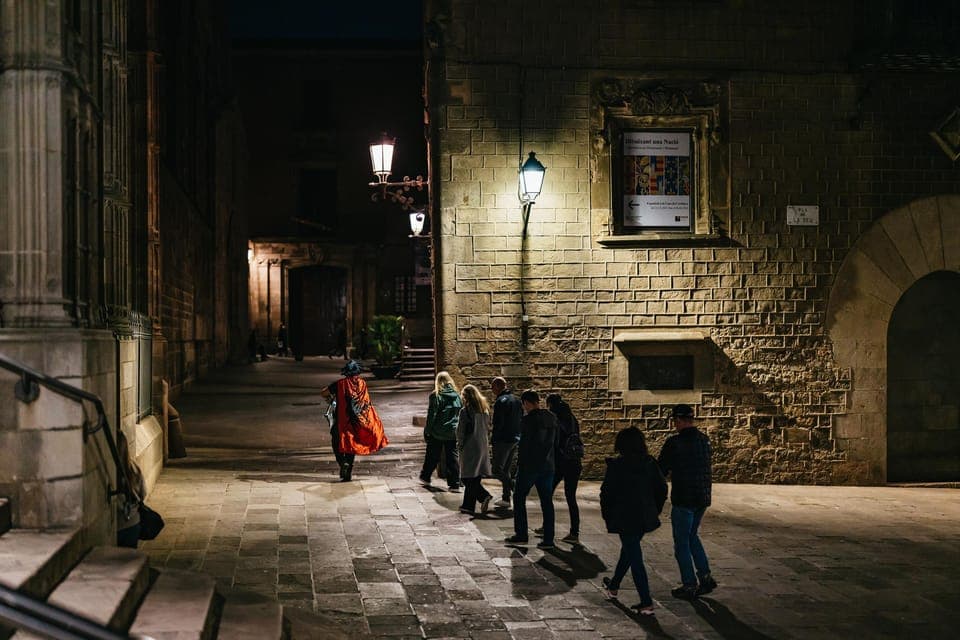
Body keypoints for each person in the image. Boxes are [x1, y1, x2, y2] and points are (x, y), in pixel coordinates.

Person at [600, 427, 668, 616]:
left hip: (624, 516)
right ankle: (613, 586)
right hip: (643, 516)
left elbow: (606, 493)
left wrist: (608, 515)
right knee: (629, 550)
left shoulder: (617, 466)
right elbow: (661, 488)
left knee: (635, 557)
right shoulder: (649, 463)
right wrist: (654, 509)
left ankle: (646, 602)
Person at [658, 403, 717, 599]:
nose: (674, 424)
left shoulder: (674, 443)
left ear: (679, 420)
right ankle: (705, 576)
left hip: (684, 498)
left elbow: (661, 470)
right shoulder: (704, 440)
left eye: (675, 421)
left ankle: (689, 584)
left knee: (681, 542)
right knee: (692, 536)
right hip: (702, 497)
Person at [505, 390, 558, 549]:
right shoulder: (552, 418)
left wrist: (520, 465)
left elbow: (526, 445)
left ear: (527, 403)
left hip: (530, 466)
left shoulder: (528, 421)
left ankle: (521, 534)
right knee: (547, 502)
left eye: (524, 404)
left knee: (519, 497)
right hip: (548, 466)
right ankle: (548, 539)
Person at [320, 360, 388, 481]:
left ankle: (342, 463)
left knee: (336, 442)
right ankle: (348, 472)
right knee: (351, 446)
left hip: (341, 421)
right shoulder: (362, 384)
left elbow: (323, 392)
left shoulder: (340, 384)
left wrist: (331, 399)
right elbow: (366, 403)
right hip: (357, 421)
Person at [545, 393, 584, 544]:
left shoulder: (556, 420)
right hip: (574, 462)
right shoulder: (572, 419)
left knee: (547, 495)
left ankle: (547, 526)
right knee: (570, 497)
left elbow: (554, 443)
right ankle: (574, 532)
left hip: (561, 463)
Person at [419, 371, 462, 491]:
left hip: (438, 431)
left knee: (432, 455)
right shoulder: (457, 396)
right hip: (452, 432)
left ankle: (426, 476)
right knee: (452, 458)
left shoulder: (436, 395)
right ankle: (454, 484)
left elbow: (431, 415)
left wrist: (427, 431)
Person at [456, 384, 493, 515]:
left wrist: (459, 445)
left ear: (466, 397)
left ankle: (483, 496)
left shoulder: (465, 411)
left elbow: (460, 431)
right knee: (475, 476)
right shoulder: (484, 410)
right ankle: (468, 505)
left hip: (470, 446)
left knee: (466, 477)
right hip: (482, 445)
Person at [490, 377, 522, 506]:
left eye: (492, 387)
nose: (492, 390)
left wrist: (494, 439)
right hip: (514, 438)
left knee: (497, 470)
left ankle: (513, 486)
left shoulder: (500, 401)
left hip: (503, 439)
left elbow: (498, 423)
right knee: (507, 469)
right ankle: (506, 498)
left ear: (498, 386)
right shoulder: (516, 400)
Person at [116, 431, 145, 548]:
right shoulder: (133, 468)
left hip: (116, 525)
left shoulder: (106, 471)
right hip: (132, 522)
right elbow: (142, 493)